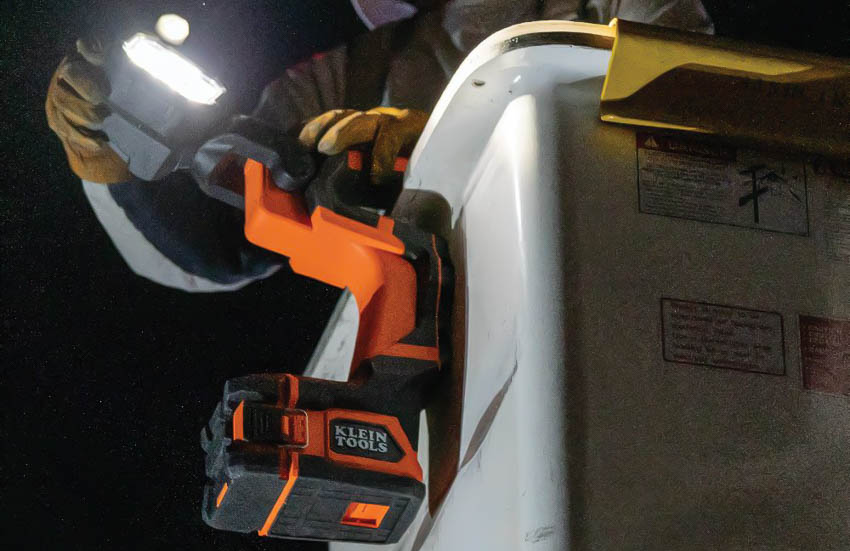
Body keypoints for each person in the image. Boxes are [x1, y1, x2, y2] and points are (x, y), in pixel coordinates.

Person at [46, 0, 714, 292]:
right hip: (468, 344)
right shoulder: (341, 59)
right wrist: (107, 158)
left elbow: (696, 130)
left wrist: (452, 145)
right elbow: (220, 246)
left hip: (624, 284)